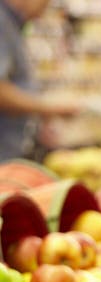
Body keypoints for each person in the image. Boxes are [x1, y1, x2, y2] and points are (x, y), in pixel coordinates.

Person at [0, 0, 79, 161]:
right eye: (45, 3)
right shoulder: (2, 22)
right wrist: (48, 108)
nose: (44, 11)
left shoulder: (11, 23)